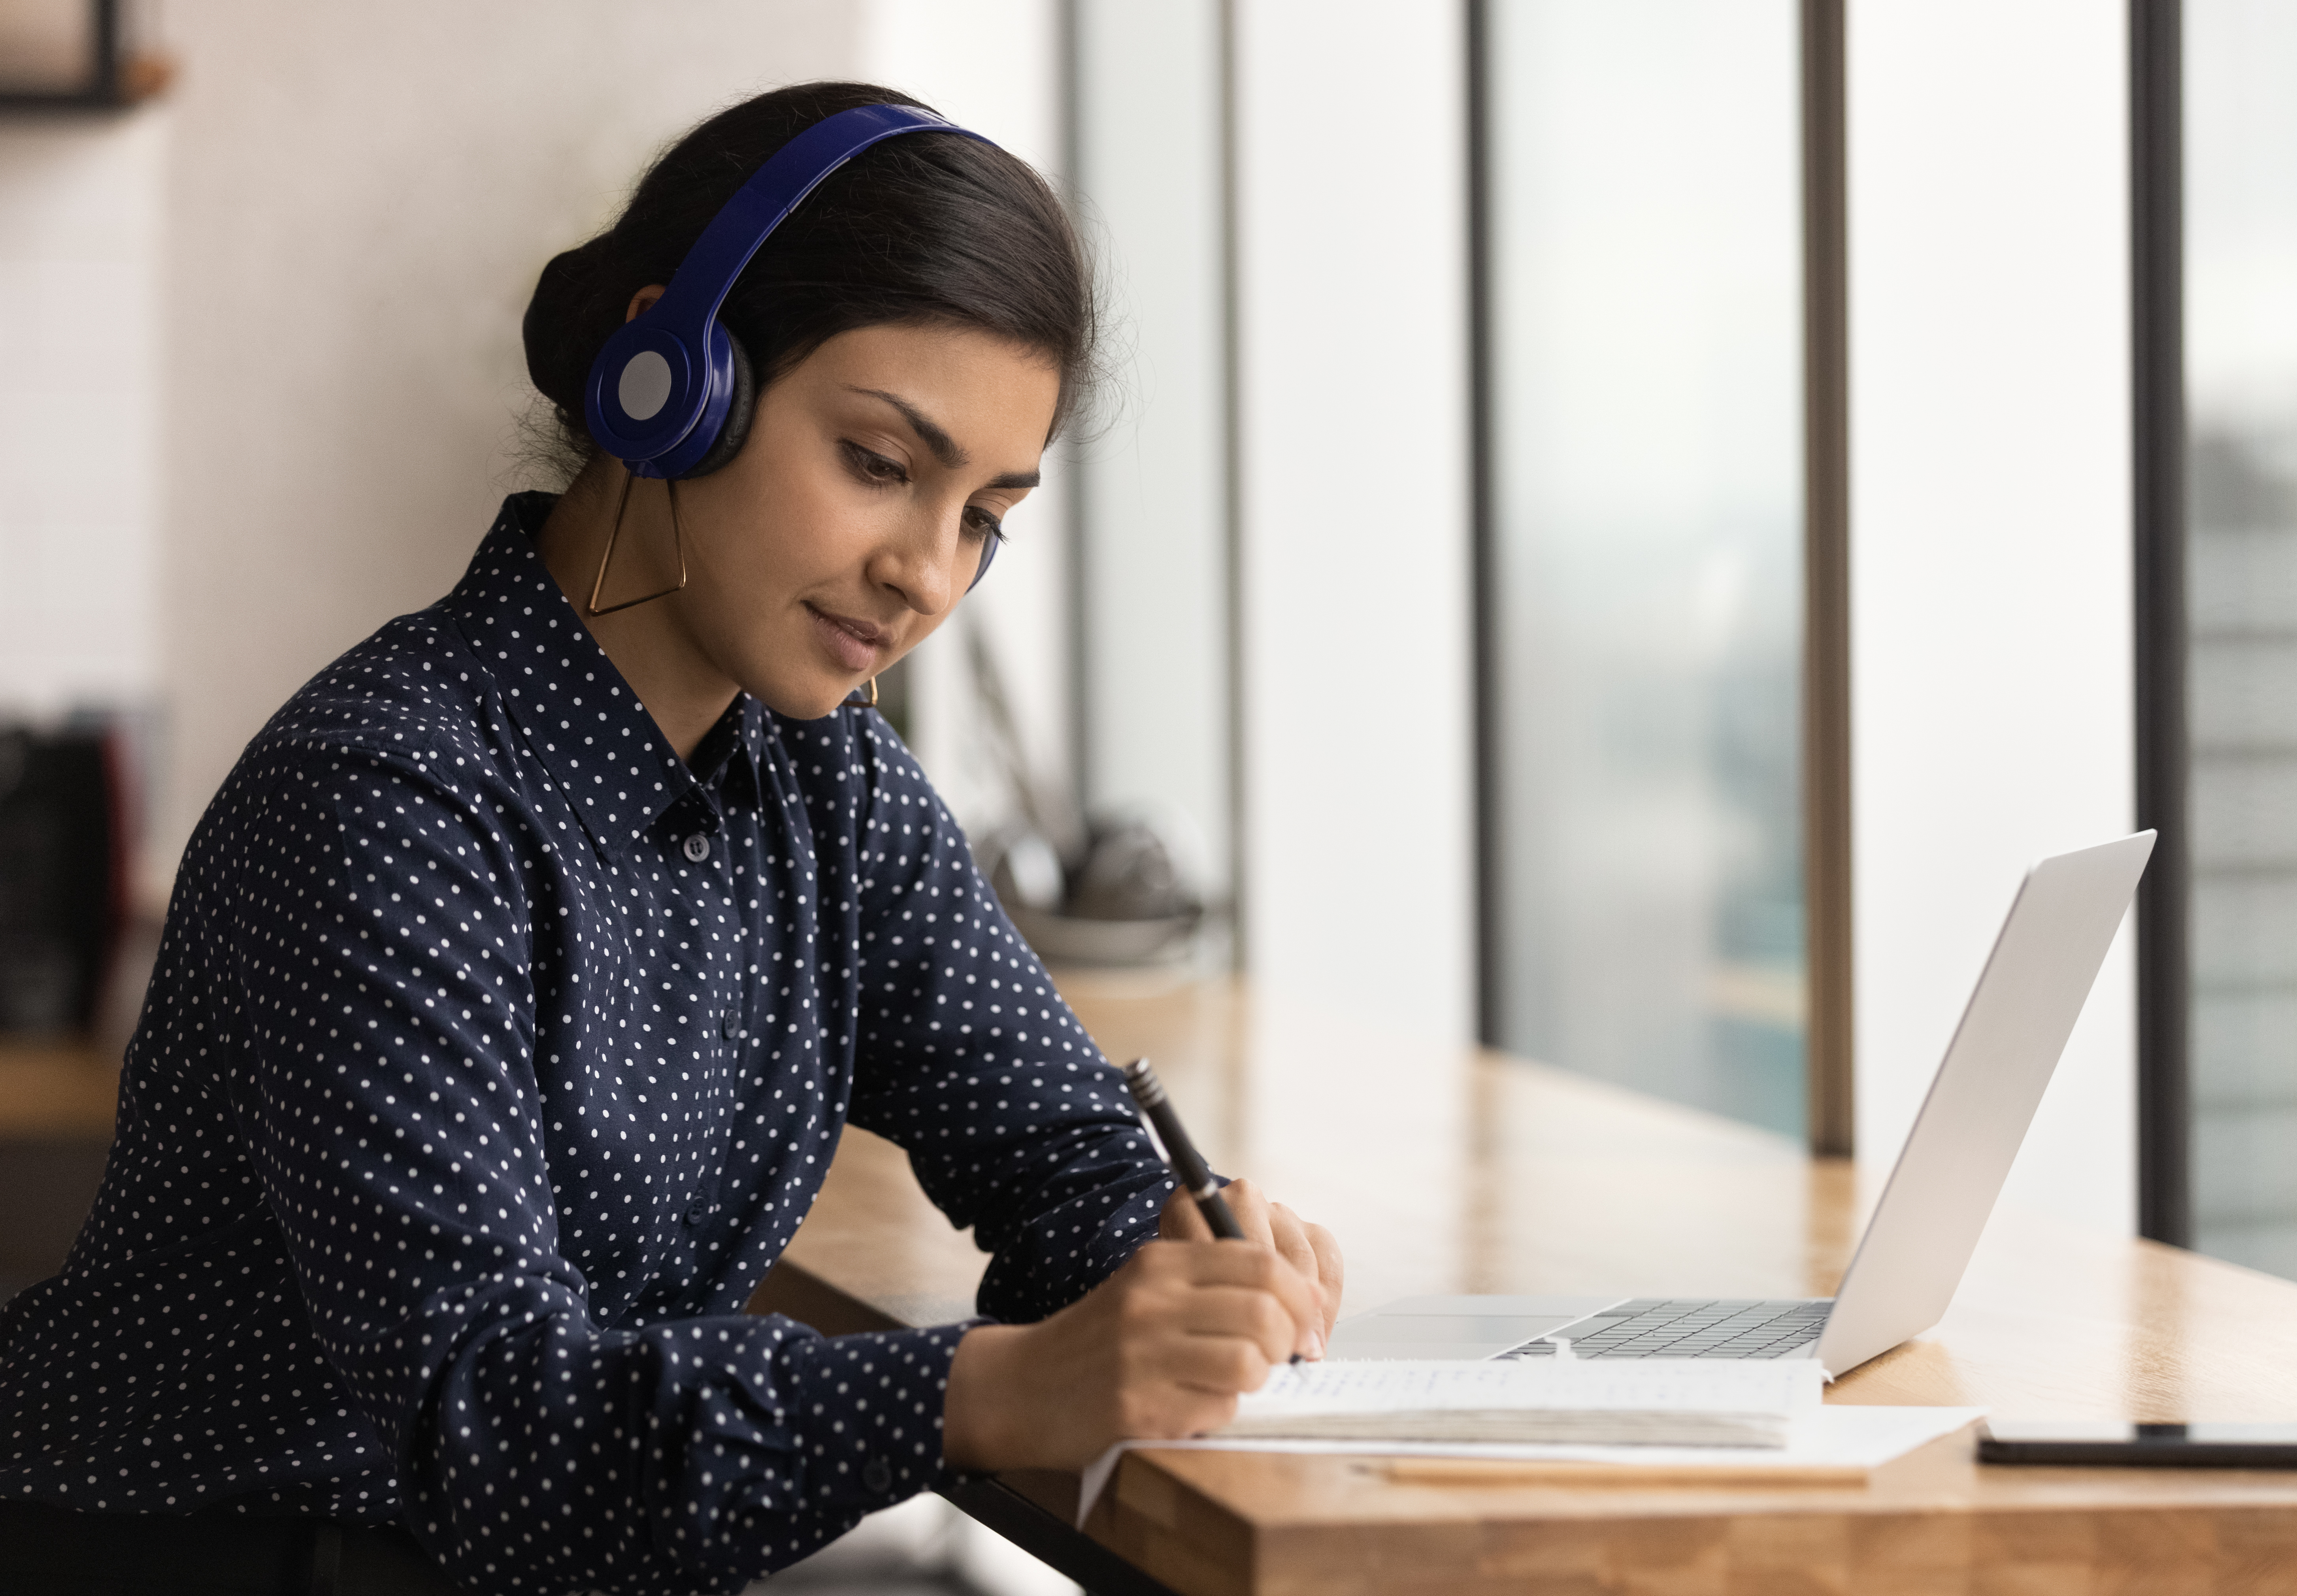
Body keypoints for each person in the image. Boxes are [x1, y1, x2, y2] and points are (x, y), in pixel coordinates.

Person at [0, 81, 1342, 1596]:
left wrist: (1172, 1262)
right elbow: (493, 1435)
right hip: (215, 1562)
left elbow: (1057, 1153)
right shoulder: (383, 798)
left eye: (984, 515)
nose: (923, 574)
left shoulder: (829, 789)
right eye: (882, 464)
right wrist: (987, 1386)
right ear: (671, 377)